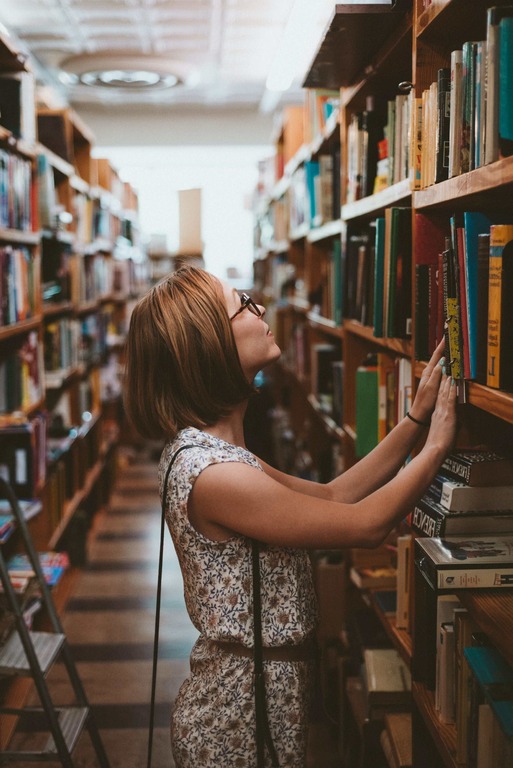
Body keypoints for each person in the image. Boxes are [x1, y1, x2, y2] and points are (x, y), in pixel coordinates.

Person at [123, 266, 457, 768]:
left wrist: (414, 422)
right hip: (235, 716)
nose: (261, 310)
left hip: (260, 697)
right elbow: (366, 526)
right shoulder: (215, 474)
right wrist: (437, 449)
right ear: (210, 345)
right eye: (244, 304)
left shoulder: (216, 452)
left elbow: (334, 495)